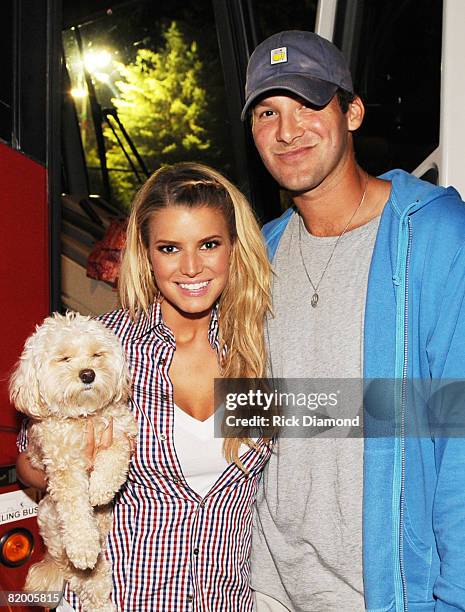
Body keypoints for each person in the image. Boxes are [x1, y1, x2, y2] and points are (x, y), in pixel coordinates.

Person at [242, 30, 465, 611]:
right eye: (268, 112)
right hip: (263, 583)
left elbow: (457, 425)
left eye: (308, 104)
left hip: (382, 593)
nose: (287, 131)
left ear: (353, 111)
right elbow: (243, 412)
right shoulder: (256, 257)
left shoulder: (434, 235)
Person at [16, 162, 272, 611]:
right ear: (147, 254)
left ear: (235, 247)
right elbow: (27, 462)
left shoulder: (260, 348)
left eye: (209, 244)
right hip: (117, 598)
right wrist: (71, 465)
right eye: (170, 248)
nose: (191, 267)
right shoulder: (105, 346)